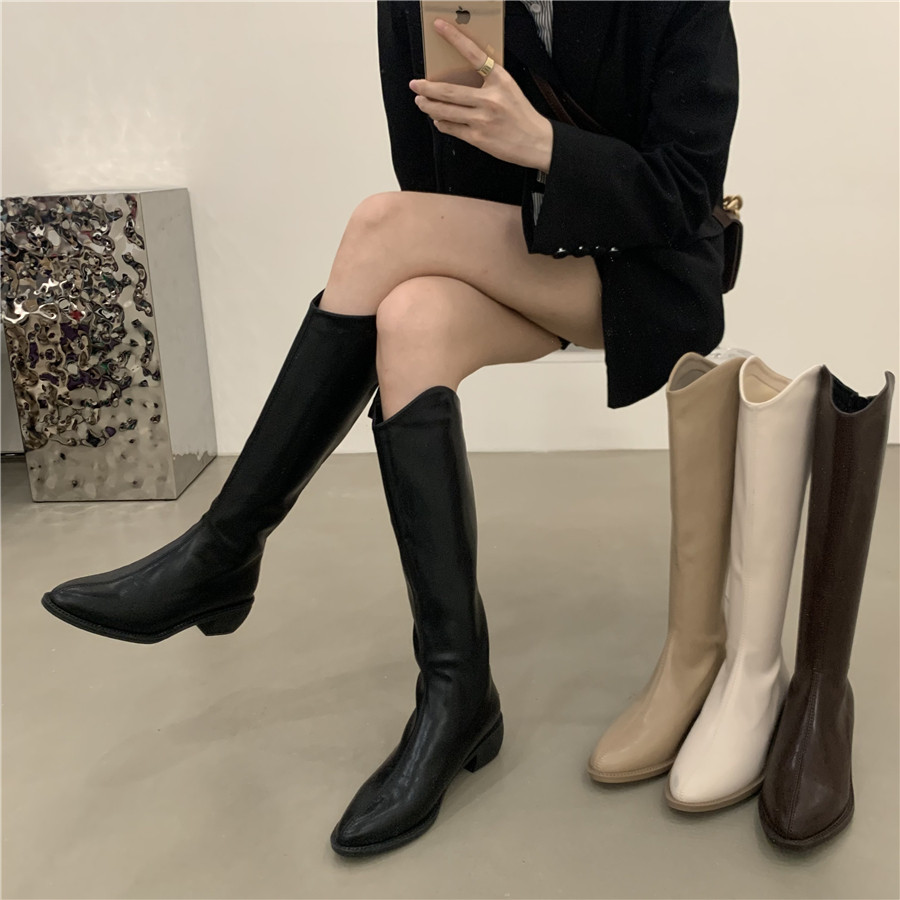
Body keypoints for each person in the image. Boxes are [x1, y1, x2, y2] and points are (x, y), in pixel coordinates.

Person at [41, 0, 739, 858]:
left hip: (648, 272)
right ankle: (456, 693)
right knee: (408, 318)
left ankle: (225, 549)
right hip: (526, 258)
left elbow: (687, 191)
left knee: (379, 225)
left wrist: (546, 146)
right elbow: (430, 187)